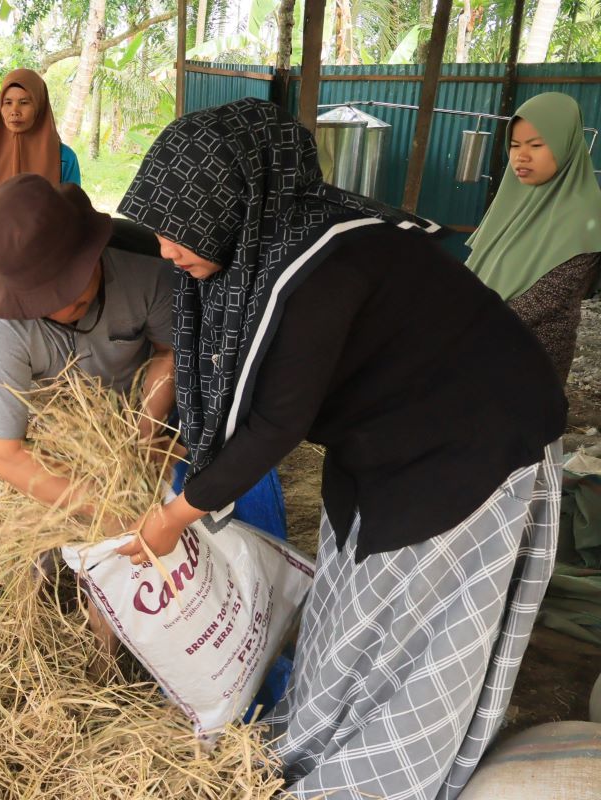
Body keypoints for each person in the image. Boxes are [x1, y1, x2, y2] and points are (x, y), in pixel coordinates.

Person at [116, 99, 566, 799]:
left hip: (473, 437)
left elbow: (275, 423)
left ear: (236, 202)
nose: (168, 251)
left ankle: (372, 772)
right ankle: (318, 730)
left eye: (180, 233)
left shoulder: (324, 267)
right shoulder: (259, 245)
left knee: (417, 612)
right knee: (350, 590)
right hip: (384, 429)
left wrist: (176, 514)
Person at [0, 173, 176, 511]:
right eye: (42, 303)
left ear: (93, 252)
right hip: (49, 432)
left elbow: (169, 352)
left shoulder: (151, 264)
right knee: (24, 521)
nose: (64, 310)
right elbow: (3, 452)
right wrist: (103, 507)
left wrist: (145, 438)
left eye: (74, 293)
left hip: (136, 413)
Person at [466, 92, 601, 384]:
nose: (521, 156)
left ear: (566, 145)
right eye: (514, 146)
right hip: (477, 349)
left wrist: (471, 321)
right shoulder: (512, 200)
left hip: (531, 359)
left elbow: (548, 298)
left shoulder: (585, 214)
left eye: (536, 145)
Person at [0, 69, 81, 316]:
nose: (14, 110)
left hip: (49, 273)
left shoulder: (64, 159)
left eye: (24, 103)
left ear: (39, 106)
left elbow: (77, 218)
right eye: (7, 102)